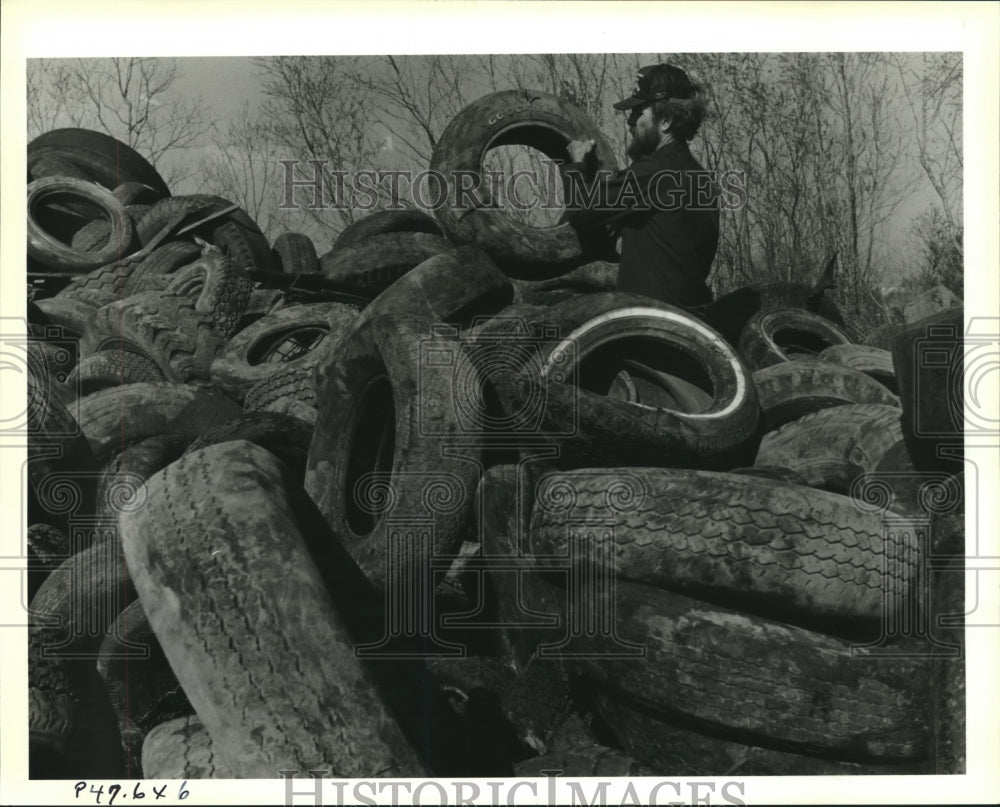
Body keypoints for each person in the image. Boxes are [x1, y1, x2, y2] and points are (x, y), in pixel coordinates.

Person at [563, 64, 719, 309]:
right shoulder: (699, 178)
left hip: (650, 324)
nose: (630, 122)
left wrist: (578, 164)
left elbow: (581, 212)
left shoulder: (655, 172)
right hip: (689, 321)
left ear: (665, 120)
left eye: (638, 112)